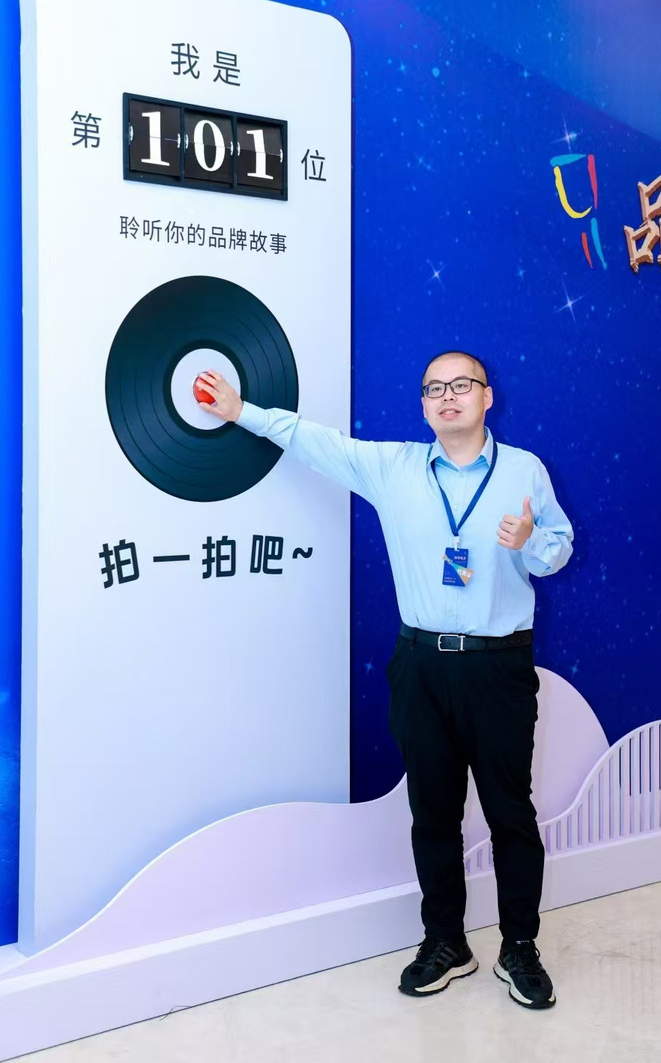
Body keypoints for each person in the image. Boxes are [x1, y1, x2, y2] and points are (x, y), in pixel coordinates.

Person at [196, 351, 573, 1010]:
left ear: (487, 397)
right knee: (432, 814)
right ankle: (445, 941)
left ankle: (519, 946)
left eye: (461, 385)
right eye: (433, 388)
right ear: (423, 405)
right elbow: (314, 442)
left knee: (511, 814)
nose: (447, 396)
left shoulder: (524, 471)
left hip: (498, 667)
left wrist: (530, 539)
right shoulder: (392, 467)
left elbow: (558, 550)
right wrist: (240, 412)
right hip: (420, 664)